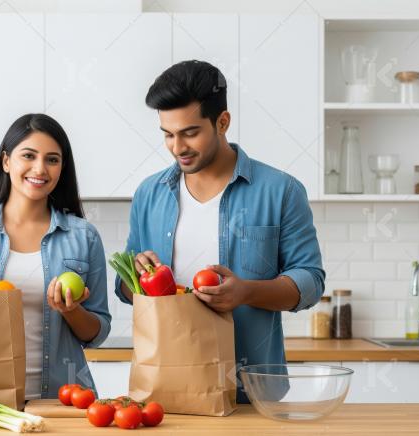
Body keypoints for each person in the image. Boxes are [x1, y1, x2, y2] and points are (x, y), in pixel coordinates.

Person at [115, 60, 325, 403]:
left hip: (251, 391)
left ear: (222, 122)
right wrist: (136, 274)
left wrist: (246, 292)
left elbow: (310, 282)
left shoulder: (281, 191)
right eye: (168, 134)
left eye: (190, 132)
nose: (177, 147)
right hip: (166, 389)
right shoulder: (148, 194)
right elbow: (126, 291)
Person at [0, 113, 111, 400]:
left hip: (62, 398)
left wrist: (71, 310)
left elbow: (97, 333)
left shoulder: (84, 237)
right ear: (6, 162)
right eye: (28, 156)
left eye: (52, 159)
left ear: (62, 168)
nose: (40, 168)